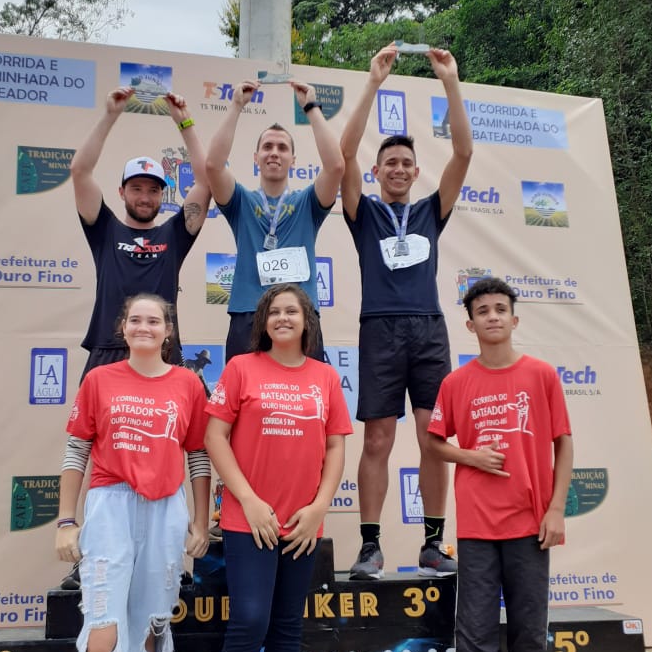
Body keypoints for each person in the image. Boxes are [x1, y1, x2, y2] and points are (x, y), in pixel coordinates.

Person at [52, 292, 211, 652]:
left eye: (154, 320)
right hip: (110, 506)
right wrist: (66, 520)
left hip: (166, 511)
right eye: (136, 320)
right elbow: (76, 449)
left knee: (150, 635)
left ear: (168, 331)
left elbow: (199, 454)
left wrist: (200, 520)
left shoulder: (187, 383)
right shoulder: (100, 380)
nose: (145, 327)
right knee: (102, 635)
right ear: (123, 328)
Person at [200, 284, 352, 652]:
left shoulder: (324, 377)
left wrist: (319, 508)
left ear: (307, 321)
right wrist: (247, 500)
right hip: (249, 521)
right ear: (262, 321)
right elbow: (214, 437)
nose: (283, 317)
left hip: (301, 525)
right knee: (248, 623)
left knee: (287, 628)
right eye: (274, 311)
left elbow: (336, 445)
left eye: (292, 310)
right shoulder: (241, 368)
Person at [427, 277, 573, 652]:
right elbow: (435, 442)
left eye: (499, 309)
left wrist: (556, 510)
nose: (491, 316)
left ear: (514, 318)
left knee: (529, 630)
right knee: (475, 631)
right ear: (470, 325)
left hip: (530, 524)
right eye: (482, 310)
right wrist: (469, 455)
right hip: (478, 527)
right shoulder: (455, 382)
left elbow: (563, 444)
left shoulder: (541, 375)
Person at [340, 43, 474, 579]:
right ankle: (370, 546)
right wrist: (373, 82)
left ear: (416, 172)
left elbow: (463, 153)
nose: (397, 169)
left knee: (433, 439)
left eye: (405, 163)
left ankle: (434, 543)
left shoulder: (430, 212)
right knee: (377, 439)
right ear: (377, 172)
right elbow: (343, 154)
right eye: (389, 163)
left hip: (428, 329)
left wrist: (450, 82)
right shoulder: (363, 212)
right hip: (379, 330)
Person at [71, 87, 210, 379]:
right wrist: (110, 115)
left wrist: (184, 122)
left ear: (162, 195)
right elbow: (80, 171)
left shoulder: (174, 234)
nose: (145, 197)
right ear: (121, 192)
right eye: (136, 188)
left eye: (153, 190)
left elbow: (206, 182)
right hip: (109, 350)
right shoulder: (104, 229)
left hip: (163, 351)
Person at [204, 80, 344, 360]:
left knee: (305, 389)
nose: (274, 152)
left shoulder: (308, 203)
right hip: (249, 312)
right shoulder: (241, 200)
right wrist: (236, 106)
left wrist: (311, 107)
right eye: (267, 146)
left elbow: (336, 166)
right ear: (256, 157)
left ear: (293, 159)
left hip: (300, 312)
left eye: (282, 147)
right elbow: (213, 166)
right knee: (244, 389)